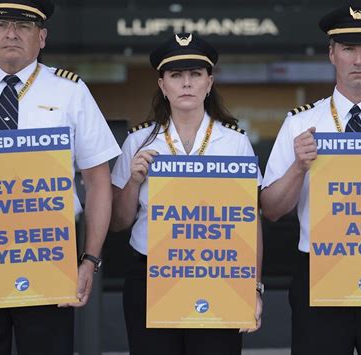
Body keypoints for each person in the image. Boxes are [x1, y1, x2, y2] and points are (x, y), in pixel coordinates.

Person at [0, 1, 121, 354]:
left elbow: (98, 181)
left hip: (47, 244)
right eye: (1, 25)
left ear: (41, 37)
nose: (11, 34)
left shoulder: (71, 91)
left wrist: (90, 259)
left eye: (23, 26)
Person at [260, 2, 361, 355]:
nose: (359, 59)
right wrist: (298, 168)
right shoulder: (300, 124)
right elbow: (270, 209)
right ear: (332, 54)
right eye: (349, 49)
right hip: (318, 272)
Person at [110, 33, 263, 355]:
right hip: (151, 274)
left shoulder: (234, 142)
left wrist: (254, 287)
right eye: (176, 75)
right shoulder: (138, 141)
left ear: (210, 82)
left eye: (195, 74)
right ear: (162, 85)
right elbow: (119, 222)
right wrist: (134, 181)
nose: (187, 83)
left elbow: (250, 223)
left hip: (219, 273)